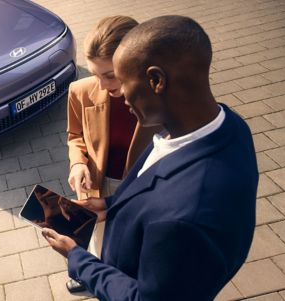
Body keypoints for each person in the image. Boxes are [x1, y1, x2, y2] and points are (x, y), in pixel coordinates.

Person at [43, 15, 259, 300]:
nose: (117, 94)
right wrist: (109, 205)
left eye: (120, 79)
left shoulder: (181, 220)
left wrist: (77, 258)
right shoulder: (231, 125)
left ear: (156, 80)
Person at [65, 16, 161, 292]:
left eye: (110, 75)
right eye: (95, 74)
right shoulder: (80, 91)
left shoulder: (161, 102)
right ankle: (91, 272)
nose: (103, 85)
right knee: (98, 237)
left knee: (133, 245)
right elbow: (75, 137)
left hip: (143, 191)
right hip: (98, 186)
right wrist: (77, 164)